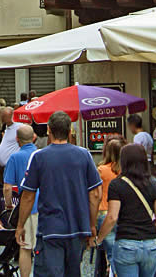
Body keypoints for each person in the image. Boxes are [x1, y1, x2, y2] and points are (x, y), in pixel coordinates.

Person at [17, 111, 102, 277]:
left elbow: (28, 196)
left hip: (50, 228)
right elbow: (96, 194)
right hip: (77, 227)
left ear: (48, 130)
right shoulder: (84, 155)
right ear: (70, 131)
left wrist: (20, 225)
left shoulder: (39, 157)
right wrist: (91, 224)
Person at [95, 144, 156, 277]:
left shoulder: (117, 185)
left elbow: (112, 217)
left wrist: (99, 239)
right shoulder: (154, 183)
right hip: (151, 244)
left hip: (126, 243)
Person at [3, 124, 38, 277]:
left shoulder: (15, 158)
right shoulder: (41, 154)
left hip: (26, 207)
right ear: (34, 137)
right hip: (45, 207)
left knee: (25, 248)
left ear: (17, 139)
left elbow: (7, 187)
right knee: (43, 248)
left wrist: (8, 204)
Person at [97, 137, 127, 269]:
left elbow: (96, 195)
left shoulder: (101, 170)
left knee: (111, 254)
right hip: (124, 213)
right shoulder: (127, 172)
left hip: (104, 211)